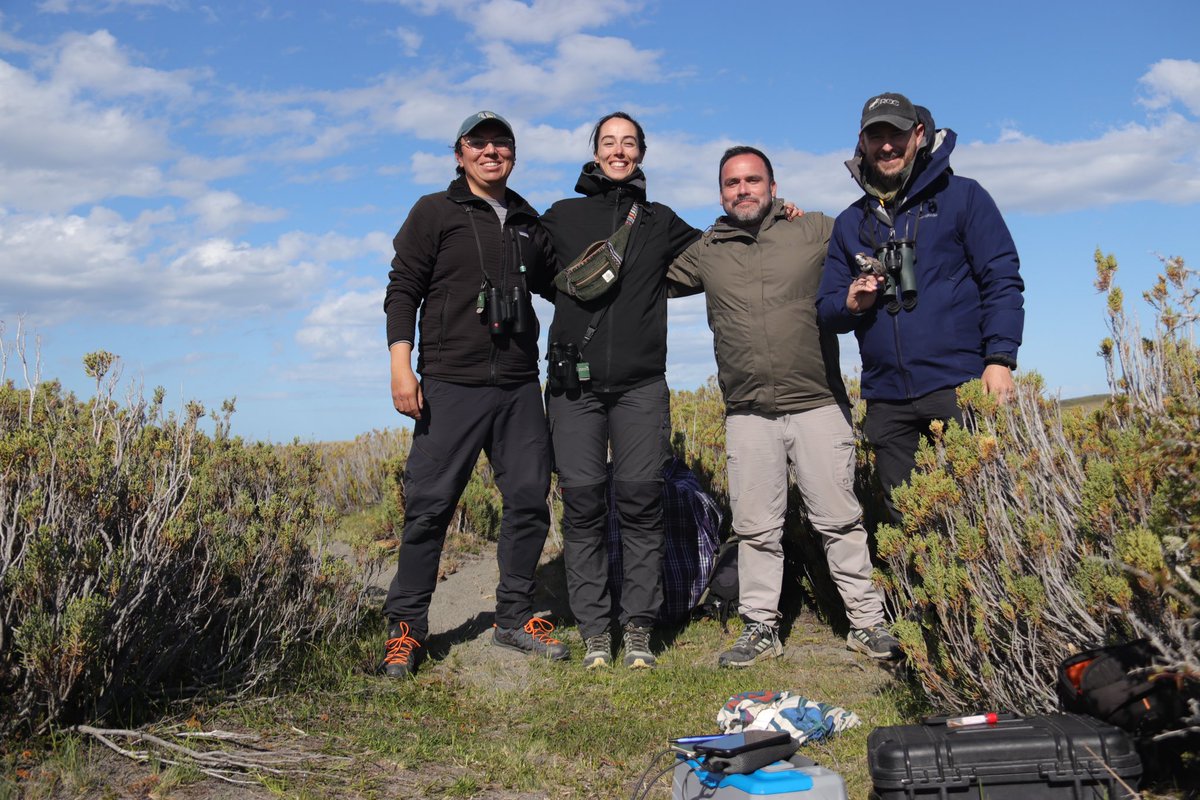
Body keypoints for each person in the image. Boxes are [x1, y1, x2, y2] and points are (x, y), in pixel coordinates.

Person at [667, 146, 901, 663]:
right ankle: (760, 628)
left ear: (773, 187)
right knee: (755, 528)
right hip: (748, 412)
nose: (743, 189)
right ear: (721, 193)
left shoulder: (814, 229)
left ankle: (867, 624)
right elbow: (649, 277)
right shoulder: (708, 250)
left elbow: (869, 233)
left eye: (753, 180)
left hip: (817, 403)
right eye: (732, 183)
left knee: (839, 519)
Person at [380, 111, 567, 678]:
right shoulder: (434, 212)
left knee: (529, 501)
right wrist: (400, 365)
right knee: (430, 508)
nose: (491, 152)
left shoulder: (530, 221)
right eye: (478, 144)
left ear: (512, 153)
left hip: (517, 386)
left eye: (501, 143)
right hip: (449, 384)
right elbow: (403, 286)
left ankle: (513, 617)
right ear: (459, 153)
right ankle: (407, 631)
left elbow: (565, 282)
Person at [817, 93, 1025, 526]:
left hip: (960, 388)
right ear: (862, 142)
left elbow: (1001, 279)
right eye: (877, 136)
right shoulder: (850, 223)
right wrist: (851, 302)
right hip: (887, 401)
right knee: (909, 524)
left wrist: (1000, 360)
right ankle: (927, 598)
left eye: (895, 133)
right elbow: (827, 310)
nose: (887, 145)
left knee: (984, 511)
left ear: (918, 134)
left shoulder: (963, 197)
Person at [541, 112, 701, 669]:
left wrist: (781, 219)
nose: (618, 151)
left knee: (640, 503)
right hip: (573, 389)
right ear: (594, 152)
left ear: (641, 153)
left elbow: (715, 256)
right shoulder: (561, 216)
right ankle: (593, 633)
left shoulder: (659, 221)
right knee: (583, 505)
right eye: (609, 142)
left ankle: (637, 628)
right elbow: (538, 273)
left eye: (628, 143)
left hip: (640, 387)